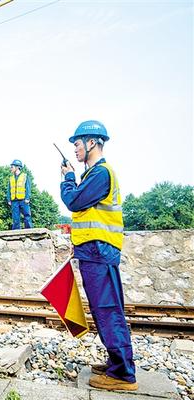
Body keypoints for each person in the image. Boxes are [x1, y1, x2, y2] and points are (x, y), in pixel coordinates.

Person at [60, 120, 137, 391]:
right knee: (104, 309)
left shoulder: (101, 173)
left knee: (107, 310)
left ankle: (123, 374)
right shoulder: (94, 174)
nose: (75, 150)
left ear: (91, 142)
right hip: (94, 249)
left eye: (77, 144)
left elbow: (74, 201)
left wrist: (68, 178)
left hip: (99, 250)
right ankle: (116, 363)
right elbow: (88, 215)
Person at [7, 159, 33, 229]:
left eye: (12, 167)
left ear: (17, 167)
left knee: (27, 216)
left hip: (23, 200)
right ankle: (16, 232)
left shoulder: (25, 176)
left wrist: (27, 198)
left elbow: (28, 188)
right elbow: (8, 189)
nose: (11, 168)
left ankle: (29, 231)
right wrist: (9, 199)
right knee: (15, 218)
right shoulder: (11, 178)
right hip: (14, 201)